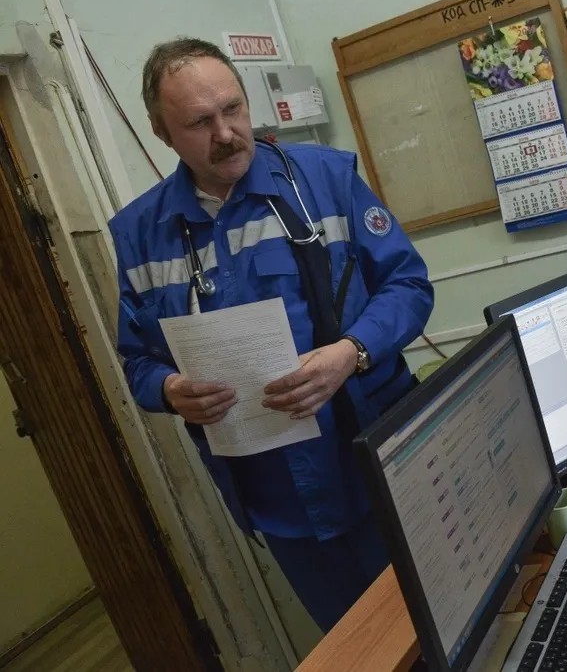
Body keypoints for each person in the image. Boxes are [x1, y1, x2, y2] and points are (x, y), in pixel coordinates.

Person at [109, 37, 434, 631]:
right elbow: (136, 362)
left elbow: (409, 286)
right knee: (359, 651)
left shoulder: (325, 179)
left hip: (383, 463)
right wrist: (171, 389)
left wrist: (351, 353)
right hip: (282, 504)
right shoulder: (139, 234)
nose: (227, 132)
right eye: (200, 122)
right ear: (162, 133)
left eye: (233, 109)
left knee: (451, 621)